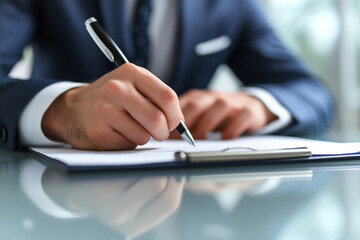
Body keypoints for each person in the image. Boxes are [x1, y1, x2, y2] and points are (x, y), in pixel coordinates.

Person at [0, 0, 333, 151]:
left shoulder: (232, 5)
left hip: (191, 202)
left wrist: (259, 104)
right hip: (58, 199)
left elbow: (311, 91)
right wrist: (61, 110)